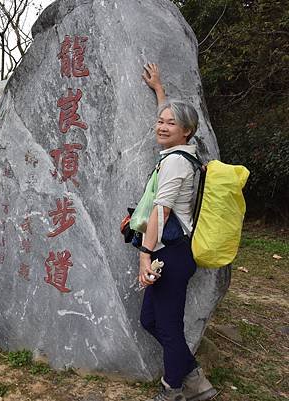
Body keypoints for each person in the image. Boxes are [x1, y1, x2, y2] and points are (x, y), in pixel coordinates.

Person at [139, 63, 217, 401]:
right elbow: (173, 117)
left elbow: (161, 210)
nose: (162, 126)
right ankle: (195, 377)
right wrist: (159, 89)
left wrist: (145, 255)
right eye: (160, 120)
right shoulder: (184, 153)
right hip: (173, 253)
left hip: (169, 254)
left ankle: (173, 389)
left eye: (171, 123)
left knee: (168, 325)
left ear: (186, 131)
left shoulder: (174, 162)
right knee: (150, 321)